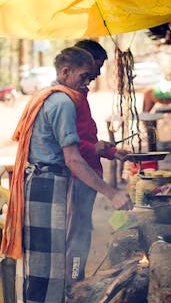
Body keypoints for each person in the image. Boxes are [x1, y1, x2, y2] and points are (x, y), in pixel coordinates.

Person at [1, 46, 133, 303]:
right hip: (46, 185)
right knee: (47, 263)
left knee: (42, 261)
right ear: (65, 72)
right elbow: (73, 159)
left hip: (39, 183)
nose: (88, 83)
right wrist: (111, 193)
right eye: (84, 76)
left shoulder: (49, 95)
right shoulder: (62, 102)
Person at [66, 39, 129, 281]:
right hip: (78, 175)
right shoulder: (67, 99)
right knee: (77, 234)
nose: (98, 73)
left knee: (81, 231)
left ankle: (76, 280)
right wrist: (95, 148)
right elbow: (69, 147)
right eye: (97, 66)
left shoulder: (81, 94)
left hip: (89, 174)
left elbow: (85, 137)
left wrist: (111, 152)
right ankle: (74, 283)